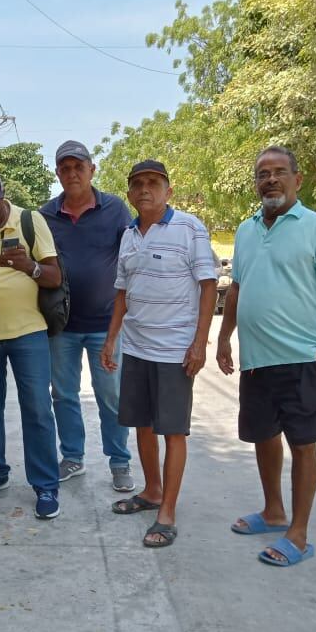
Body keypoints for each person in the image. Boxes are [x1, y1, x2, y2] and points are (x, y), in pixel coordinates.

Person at [216, 145, 316, 567]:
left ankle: (299, 533)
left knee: (303, 444)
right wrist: (223, 338)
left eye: (278, 172)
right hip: (257, 360)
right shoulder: (246, 230)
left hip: (302, 359)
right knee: (263, 436)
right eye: (262, 174)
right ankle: (274, 511)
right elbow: (236, 288)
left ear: (297, 178)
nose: (269, 180)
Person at [99, 160, 218, 548]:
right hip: (137, 348)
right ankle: (151, 491)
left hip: (175, 352)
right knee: (142, 425)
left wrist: (200, 343)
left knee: (173, 431)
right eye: (137, 184)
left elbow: (208, 285)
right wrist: (111, 339)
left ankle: (167, 511)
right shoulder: (129, 235)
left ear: (168, 190)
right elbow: (122, 292)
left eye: (153, 183)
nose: (144, 190)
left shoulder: (189, 228)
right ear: (130, 193)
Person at [0, 167, 64, 519]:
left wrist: (29, 267)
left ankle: (46, 485)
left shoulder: (30, 220)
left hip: (28, 331)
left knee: (36, 409)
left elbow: (55, 275)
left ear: (3, 195)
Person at [39, 141, 134, 491]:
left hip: (105, 325)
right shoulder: (45, 215)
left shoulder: (115, 209)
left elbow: (130, 258)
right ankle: (73, 457)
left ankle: (120, 461)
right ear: (58, 174)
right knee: (63, 394)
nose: (72, 173)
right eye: (65, 168)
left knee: (110, 394)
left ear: (92, 170)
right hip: (61, 326)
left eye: (79, 166)